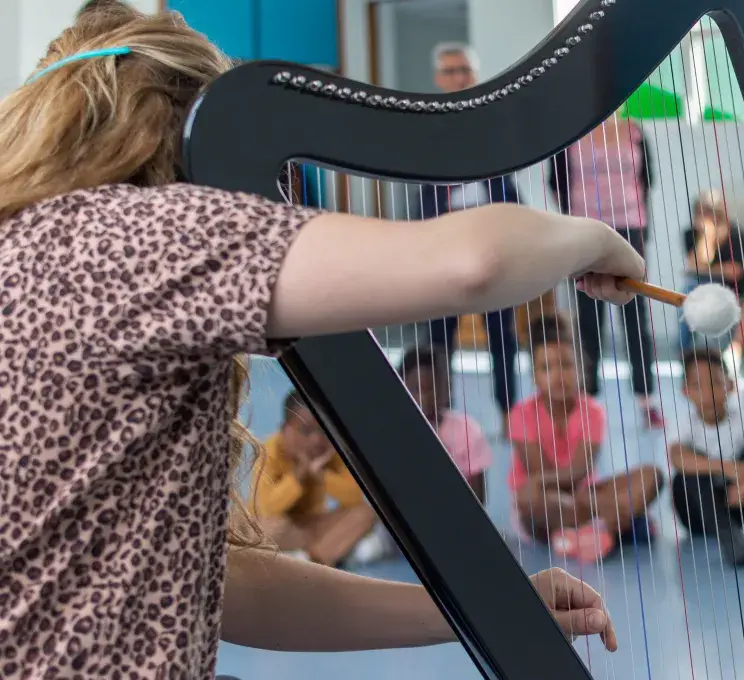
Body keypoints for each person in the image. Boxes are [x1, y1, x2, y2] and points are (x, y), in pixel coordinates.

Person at [0, 3, 638, 675]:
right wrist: (597, 238)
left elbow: (218, 583)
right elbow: (471, 263)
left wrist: (494, 607)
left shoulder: (28, 244)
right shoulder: (129, 240)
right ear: (185, 136)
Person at [416, 41, 522, 434]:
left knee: (502, 335)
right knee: (440, 337)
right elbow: (421, 186)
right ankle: (442, 415)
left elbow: (508, 177)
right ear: (438, 79)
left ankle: (509, 412)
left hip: (492, 233)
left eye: (465, 70)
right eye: (451, 71)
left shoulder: (492, 121)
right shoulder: (428, 125)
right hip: (445, 235)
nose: (460, 77)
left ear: (475, 75)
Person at [509, 315, 664, 563]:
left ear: (582, 369)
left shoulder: (592, 411)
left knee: (651, 475)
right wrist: (593, 502)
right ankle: (610, 524)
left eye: (567, 365)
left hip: (584, 495)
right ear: (534, 377)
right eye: (546, 368)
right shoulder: (521, 414)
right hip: (546, 504)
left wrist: (584, 498)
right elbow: (543, 475)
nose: (558, 375)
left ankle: (579, 533)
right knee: (529, 498)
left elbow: (580, 470)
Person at [548, 108, 663, 429]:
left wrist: (644, 232)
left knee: (635, 318)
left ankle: (646, 400)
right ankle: (587, 401)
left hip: (630, 230)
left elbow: (645, 184)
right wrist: (573, 229)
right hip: (585, 231)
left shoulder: (635, 132)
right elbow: (556, 184)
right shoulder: (568, 134)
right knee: (587, 319)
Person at [253, 391, 396, 566]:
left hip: (313, 528)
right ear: (285, 430)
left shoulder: (330, 451)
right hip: (281, 529)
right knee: (266, 527)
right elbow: (267, 509)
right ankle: (319, 556)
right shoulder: (269, 450)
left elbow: (354, 497)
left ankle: (312, 561)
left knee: (365, 513)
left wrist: (321, 475)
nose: (316, 440)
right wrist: (298, 477)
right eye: (305, 431)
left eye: (323, 430)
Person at [669, 348, 744, 566]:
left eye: (715, 384)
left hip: (737, 503)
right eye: (697, 386)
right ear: (686, 392)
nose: (708, 393)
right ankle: (729, 540)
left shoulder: (742, 418)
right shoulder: (684, 423)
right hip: (697, 515)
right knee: (688, 474)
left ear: (730, 386)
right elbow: (677, 458)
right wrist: (725, 467)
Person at [399, 345, 493, 504]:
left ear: (447, 387)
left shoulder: (468, 430)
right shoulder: (394, 431)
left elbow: (479, 499)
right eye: (418, 389)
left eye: (434, 388)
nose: (426, 398)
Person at [681, 190, 744, 372]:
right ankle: (683, 349)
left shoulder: (736, 234)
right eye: (701, 213)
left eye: (710, 213)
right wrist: (706, 238)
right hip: (703, 287)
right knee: (688, 289)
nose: (706, 218)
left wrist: (707, 269)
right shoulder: (691, 234)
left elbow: (736, 272)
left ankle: (735, 349)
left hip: (735, 289)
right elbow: (694, 265)